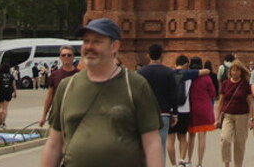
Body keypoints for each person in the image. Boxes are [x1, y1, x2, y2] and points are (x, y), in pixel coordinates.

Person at [39, 17, 162, 167]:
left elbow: (152, 143)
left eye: (97, 41)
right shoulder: (66, 87)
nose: (89, 46)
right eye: (86, 41)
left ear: (114, 46)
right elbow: (54, 145)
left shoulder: (135, 85)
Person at [170, 55, 210, 167]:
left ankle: (173, 164)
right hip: (185, 110)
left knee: (170, 139)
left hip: (171, 109)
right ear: (186, 65)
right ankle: (182, 160)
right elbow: (207, 71)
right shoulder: (188, 74)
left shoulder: (169, 74)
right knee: (183, 137)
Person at [137, 44, 178, 155]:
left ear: (148, 55)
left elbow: (137, 95)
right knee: (161, 145)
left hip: (146, 115)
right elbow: (173, 94)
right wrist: (175, 114)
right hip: (164, 113)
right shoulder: (169, 72)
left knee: (145, 146)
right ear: (161, 55)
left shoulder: (140, 72)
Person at [217, 59, 253, 167]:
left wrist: (251, 118)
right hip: (228, 115)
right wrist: (217, 118)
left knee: (239, 143)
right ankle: (226, 163)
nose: (235, 72)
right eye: (233, 70)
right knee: (225, 138)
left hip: (242, 116)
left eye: (237, 70)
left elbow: (250, 102)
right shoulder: (226, 83)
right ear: (230, 71)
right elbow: (220, 101)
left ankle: (238, 165)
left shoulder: (245, 84)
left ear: (241, 72)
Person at [187, 56, 217, 167]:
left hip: (191, 108)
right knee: (202, 136)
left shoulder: (189, 77)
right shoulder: (206, 78)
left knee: (191, 136)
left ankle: (189, 160)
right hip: (204, 108)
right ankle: (199, 163)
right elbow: (213, 93)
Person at [40, 45, 79, 126]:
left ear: (73, 57)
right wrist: (44, 116)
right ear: (60, 57)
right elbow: (49, 97)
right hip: (58, 114)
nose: (66, 57)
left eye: (69, 55)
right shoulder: (54, 75)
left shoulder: (80, 75)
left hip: (75, 115)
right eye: (63, 55)